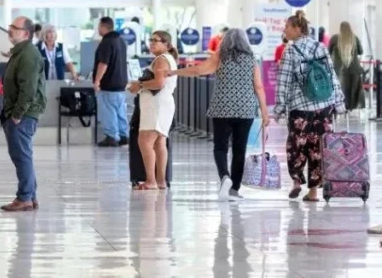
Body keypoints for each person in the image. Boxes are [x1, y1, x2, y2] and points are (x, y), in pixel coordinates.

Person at [170, 28, 270, 200]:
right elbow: (259, 87)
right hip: (245, 110)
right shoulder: (251, 59)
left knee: (220, 147)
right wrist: (265, 113)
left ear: (226, 40)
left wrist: (174, 72)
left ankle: (225, 176)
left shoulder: (220, 56)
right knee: (239, 150)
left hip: (222, 108)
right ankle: (234, 190)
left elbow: (199, 71)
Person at [275, 11, 345, 202]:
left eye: (287, 27)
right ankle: (314, 193)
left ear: (297, 28)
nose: (284, 30)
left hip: (300, 107)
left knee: (296, 145)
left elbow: (284, 81)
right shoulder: (320, 46)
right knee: (318, 148)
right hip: (324, 106)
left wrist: (279, 108)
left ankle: (297, 181)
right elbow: (331, 75)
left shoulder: (290, 50)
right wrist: (339, 103)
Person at [0, 16, 45, 212]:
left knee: (21, 156)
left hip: (22, 114)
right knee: (22, 155)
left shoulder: (28, 55)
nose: (10, 30)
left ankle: (25, 197)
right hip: (19, 112)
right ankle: (30, 196)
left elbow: (28, 89)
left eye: (14, 28)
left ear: (26, 34)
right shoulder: (20, 53)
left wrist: (17, 114)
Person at [128, 31, 179, 191]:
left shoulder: (162, 60)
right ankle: (160, 180)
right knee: (159, 143)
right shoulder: (165, 59)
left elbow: (158, 83)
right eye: (150, 40)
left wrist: (140, 85)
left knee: (145, 141)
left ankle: (151, 181)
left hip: (156, 106)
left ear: (166, 45)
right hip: (161, 105)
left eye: (155, 41)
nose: (151, 43)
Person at [93, 17, 130, 147]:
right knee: (120, 111)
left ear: (104, 27)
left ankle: (112, 136)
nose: (98, 29)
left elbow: (103, 63)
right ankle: (123, 135)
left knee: (108, 110)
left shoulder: (107, 42)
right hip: (121, 84)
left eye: (99, 26)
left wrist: (97, 80)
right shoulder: (120, 41)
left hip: (108, 84)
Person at [329, 21, 365, 111]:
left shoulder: (334, 38)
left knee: (340, 89)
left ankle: (340, 108)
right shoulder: (355, 38)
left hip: (339, 70)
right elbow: (361, 51)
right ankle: (351, 107)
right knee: (353, 90)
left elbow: (328, 51)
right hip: (354, 69)